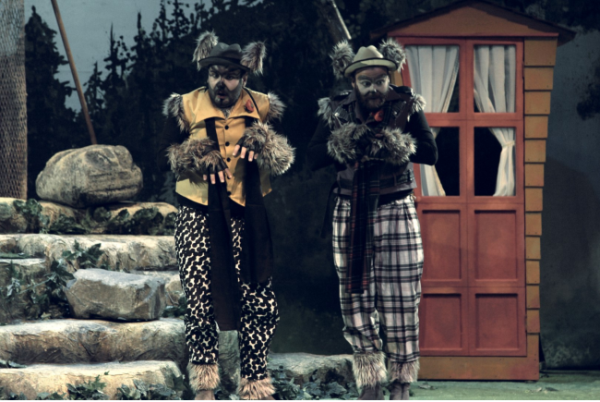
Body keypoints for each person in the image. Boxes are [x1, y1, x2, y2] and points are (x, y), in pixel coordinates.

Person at [156, 31, 294, 402]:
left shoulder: (263, 106)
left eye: (230, 76)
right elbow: (165, 154)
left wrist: (264, 140)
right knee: (200, 297)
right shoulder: (186, 105)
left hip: (248, 214)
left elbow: (284, 159)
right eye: (215, 74)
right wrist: (196, 155)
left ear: (244, 77)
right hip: (197, 214)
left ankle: (255, 384)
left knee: (258, 299)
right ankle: (204, 386)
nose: (221, 82)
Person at [308, 39, 438, 402]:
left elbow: (430, 152)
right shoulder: (337, 109)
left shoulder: (406, 104)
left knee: (402, 298)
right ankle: (370, 382)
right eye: (366, 83)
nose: (374, 89)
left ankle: (401, 383)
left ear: (389, 78)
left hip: (396, 208)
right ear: (354, 82)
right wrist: (345, 141)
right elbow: (313, 157)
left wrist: (395, 143)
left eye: (380, 81)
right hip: (350, 209)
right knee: (356, 298)